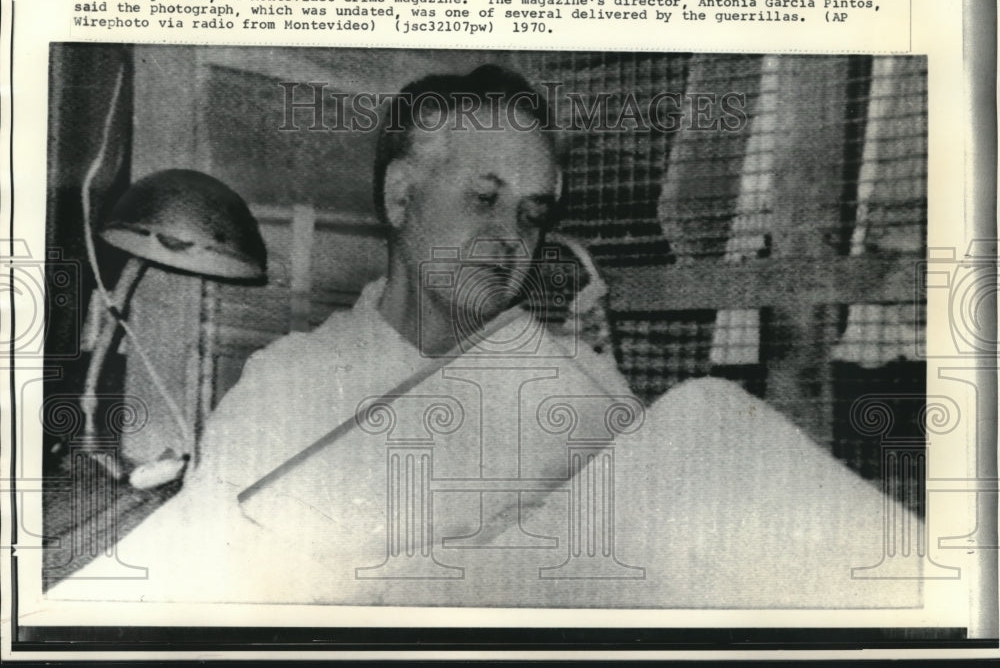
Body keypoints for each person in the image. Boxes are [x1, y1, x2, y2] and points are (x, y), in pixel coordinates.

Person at [49, 65, 922, 608]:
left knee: (706, 420)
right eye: (484, 198)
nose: (513, 236)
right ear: (400, 198)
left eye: (533, 214)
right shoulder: (292, 382)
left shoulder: (570, 375)